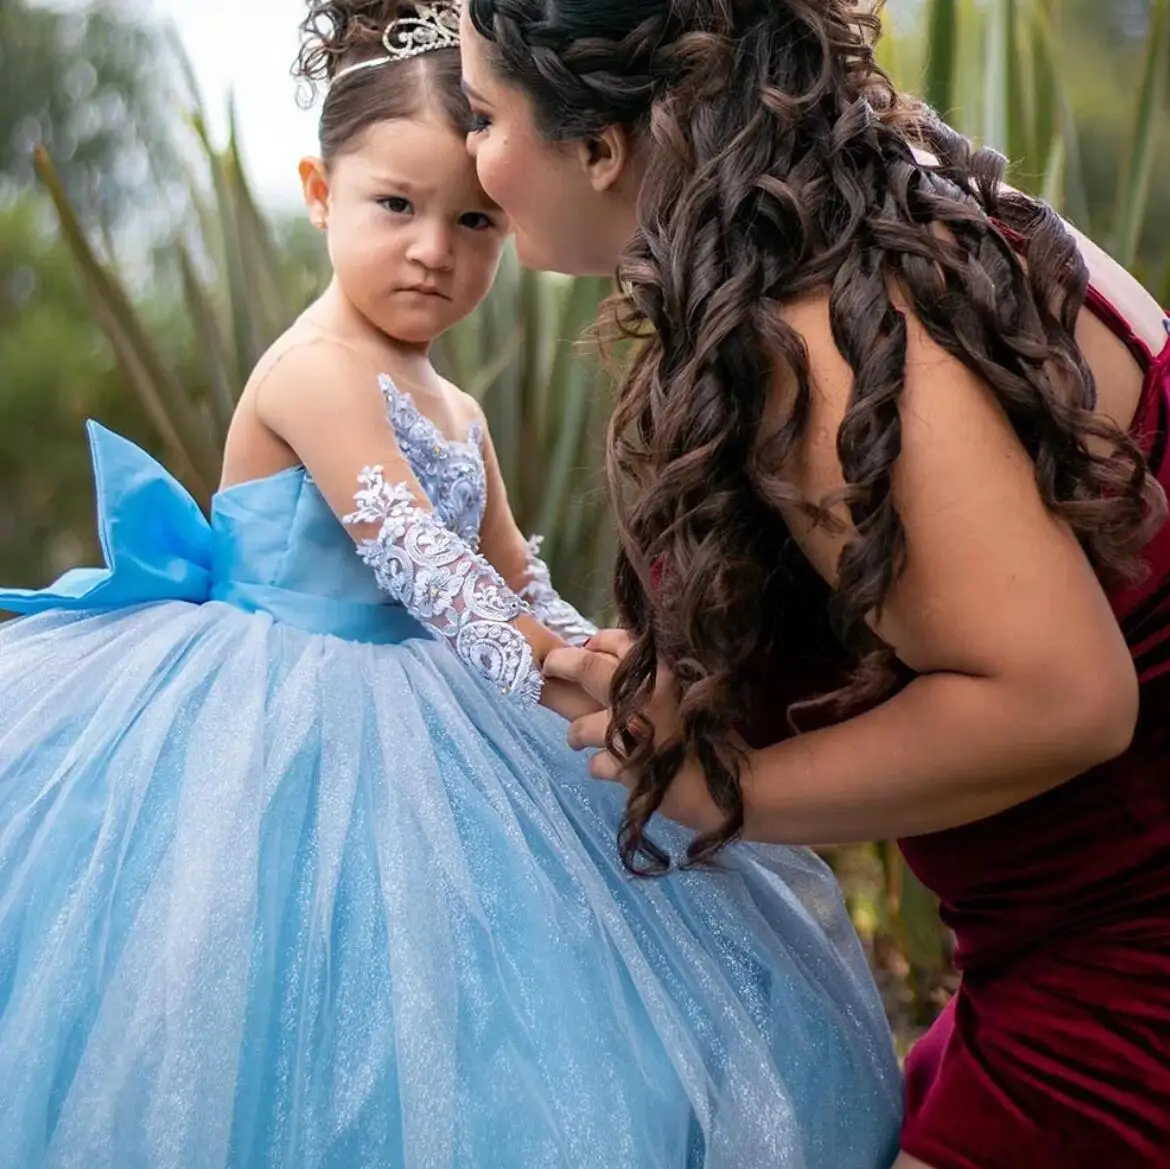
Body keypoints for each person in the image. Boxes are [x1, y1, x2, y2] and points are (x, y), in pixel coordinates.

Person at [0, 2, 902, 1165]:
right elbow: (428, 569)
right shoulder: (315, 370)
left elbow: (511, 566)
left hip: (435, 695)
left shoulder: (455, 404)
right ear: (319, 193)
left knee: (491, 979)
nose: (434, 247)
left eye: (473, 218)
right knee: (282, 978)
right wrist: (564, 670)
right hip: (281, 714)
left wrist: (615, 655)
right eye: (394, 206)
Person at [459, 0, 1170, 1166]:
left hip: (1130, 983)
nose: (468, 152)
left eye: (485, 115)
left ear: (597, 147)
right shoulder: (867, 191)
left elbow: (1061, 696)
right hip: (1047, 949)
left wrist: (716, 789)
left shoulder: (819, 330)